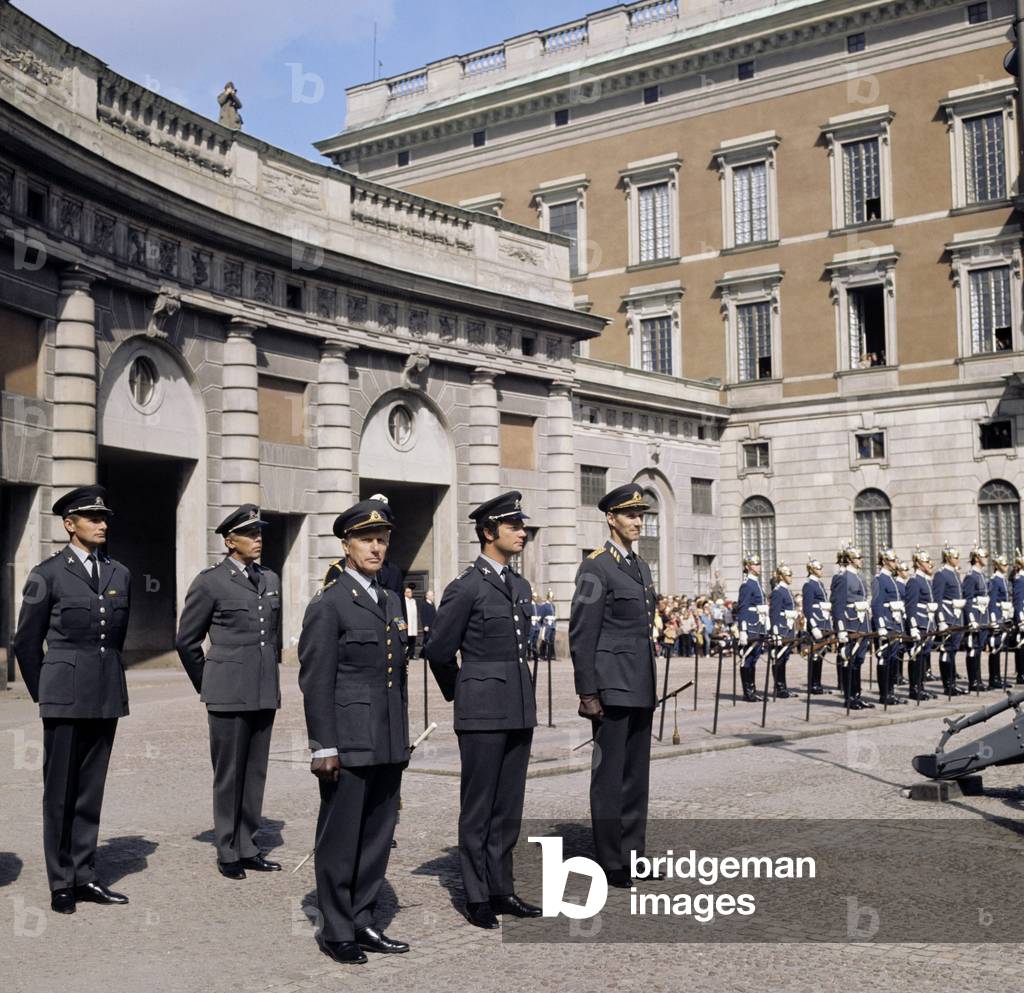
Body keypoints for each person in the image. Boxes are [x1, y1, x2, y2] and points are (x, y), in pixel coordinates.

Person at [297, 498, 411, 965]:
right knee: (341, 838)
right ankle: (336, 928)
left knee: (378, 836)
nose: (376, 548)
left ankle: (363, 918)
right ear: (346, 545)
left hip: (386, 738)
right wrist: (324, 745)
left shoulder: (387, 598)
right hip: (347, 739)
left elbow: (396, 676)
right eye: (367, 539)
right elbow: (316, 679)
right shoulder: (330, 603)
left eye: (382, 540)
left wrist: (401, 737)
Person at [13, 485, 131, 915]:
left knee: (90, 792)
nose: (102, 524)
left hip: (104, 693)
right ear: (70, 524)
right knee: (60, 792)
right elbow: (26, 643)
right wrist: (47, 694)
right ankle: (61, 881)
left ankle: (86, 874)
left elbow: (114, 639)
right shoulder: (46, 574)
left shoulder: (120, 574)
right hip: (64, 695)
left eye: (105, 519)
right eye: (92, 518)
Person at [425, 491, 540, 928]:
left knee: (508, 807)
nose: (522, 532)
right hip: (481, 712)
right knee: (478, 807)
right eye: (513, 526)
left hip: (517, 709)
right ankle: (476, 896)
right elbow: (438, 650)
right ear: (489, 532)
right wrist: (464, 690)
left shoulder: (519, 585)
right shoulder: (466, 587)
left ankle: (501, 888)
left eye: (522, 526)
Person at [175, 504, 282, 880]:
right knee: (229, 773)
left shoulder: (270, 579)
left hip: (263, 690)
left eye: (260, 534)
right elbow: (186, 640)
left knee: (255, 772)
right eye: (250, 534)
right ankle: (227, 848)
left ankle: (248, 844)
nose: (258, 540)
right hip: (226, 691)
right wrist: (209, 682)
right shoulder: (210, 581)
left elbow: (273, 637)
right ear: (228, 540)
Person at [569, 483, 657, 889]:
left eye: (640, 515)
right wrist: (588, 692)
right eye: (629, 515)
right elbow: (582, 632)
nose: (637, 521)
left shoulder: (640, 567)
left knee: (636, 775)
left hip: (640, 682)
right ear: (611, 518)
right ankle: (609, 859)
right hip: (610, 687)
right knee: (609, 777)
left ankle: (633, 854)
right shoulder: (595, 566)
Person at [831, 544, 873, 710]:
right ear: (849, 559)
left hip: (862, 622)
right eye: (857, 558)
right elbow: (838, 604)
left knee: (858, 661)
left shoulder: (859, 576)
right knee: (849, 660)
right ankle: (849, 697)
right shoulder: (843, 576)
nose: (860, 560)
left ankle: (857, 695)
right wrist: (840, 628)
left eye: (861, 557)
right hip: (850, 623)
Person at [870, 547, 905, 706]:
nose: (894, 563)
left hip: (895, 623)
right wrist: (881, 626)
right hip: (886, 623)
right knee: (884, 659)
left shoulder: (892, 579)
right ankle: (884, 694)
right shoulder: (879, 579)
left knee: (892, 659)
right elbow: (877, 603)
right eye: (892, 560)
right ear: (884, 561)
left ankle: (891, 692)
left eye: (895, 560)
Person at [932, 543, 966, 696]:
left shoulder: (955, 574)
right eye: (955, 557)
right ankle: (947, 685)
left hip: (956, 617)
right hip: (947, 617)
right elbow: (937, 599)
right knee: (946, 650)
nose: (958, 559)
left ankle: (953, 682)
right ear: (948, 558)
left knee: (953, 651)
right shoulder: (941, 574)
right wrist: (940, 620)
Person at [904, 548, 938, 701]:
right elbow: (911, 606)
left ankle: (921, 687)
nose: (930, 564)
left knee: (924, 657)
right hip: (919, 623)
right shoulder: (914, 581)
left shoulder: (926, 581)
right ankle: (914, 688)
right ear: (918, 563)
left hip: (928, 623)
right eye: (926, 561)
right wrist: (913, 627)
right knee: (916, 657)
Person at [736, 554, 767, 702]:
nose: (759, 566)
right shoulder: (747, 584)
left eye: (759, 564)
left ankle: (752, 690)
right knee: (747, 659)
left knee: (754, 659)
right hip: (751, 627)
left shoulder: (756, 583)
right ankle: (747, 692)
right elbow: (743, 608)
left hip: (758, 625)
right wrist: (743, 630)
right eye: (755, 564)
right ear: (748, 567)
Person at [962, 546, 990, 693]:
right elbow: (967, 599)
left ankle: (978, 679)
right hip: (975, 618)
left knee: (979, 649)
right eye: (984, 556)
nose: (986, 558)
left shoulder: (982, 575)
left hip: (983, 616)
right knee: (973, 649)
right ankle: (973, 681)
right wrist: (971, 619)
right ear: (977, 558)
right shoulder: (971, 576)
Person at [801, 557, 831, 695]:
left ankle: (817, 683)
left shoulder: (819, 584)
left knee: (821, 654)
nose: (821, 570)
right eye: (819, 568)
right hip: (816, 624)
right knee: (814, 655)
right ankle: (813, 684)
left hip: (823, 623)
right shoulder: (809, 585)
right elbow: (807, 609)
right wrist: (813, 626)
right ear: (811, 569)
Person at [768, 563, 797, 698]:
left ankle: (783, 686)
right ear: (781, 577)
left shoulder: (786, 590)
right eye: (788, 575)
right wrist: (776, 632)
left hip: (788, 628)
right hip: (781, 629)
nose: (791, 577)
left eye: (791, 574)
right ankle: (779, 687)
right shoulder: (778, 591)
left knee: (784, 658)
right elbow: (774, 613)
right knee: (778, 658)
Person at [987, 553, 1012, 690]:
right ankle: (994, 678)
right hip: (997, 614)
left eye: (1007, 564)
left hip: (1003, 614)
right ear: (997, 565)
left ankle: (998, 677)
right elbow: (992, 601)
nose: (1006, 567)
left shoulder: (1003, 579)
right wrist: (993, 619)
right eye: (1004, 564)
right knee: (994, 647)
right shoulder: (995, 580)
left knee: (1000, 646)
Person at [1013, 549, 1024, 685]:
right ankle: (1021, 674)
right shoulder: (1020, 579)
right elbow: (1018, 601)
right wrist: (1021, 620)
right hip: (1023, 616)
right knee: (1021, 645)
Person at [402, 586, 420, 660]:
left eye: (411, 592)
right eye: (409, 592)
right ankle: (406, 655)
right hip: (406, 624)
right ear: (405, 593)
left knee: (413, 640)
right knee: (407, 640)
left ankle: (412, 654)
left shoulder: (413, 601)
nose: (411, 593)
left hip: (413, 623)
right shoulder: (403, 601)